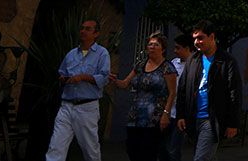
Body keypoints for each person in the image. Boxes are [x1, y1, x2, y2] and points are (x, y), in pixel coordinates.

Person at [175, 21, 242, 161]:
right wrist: (181, 114)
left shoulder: (226, 61)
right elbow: (182, 89)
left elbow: (234, 93)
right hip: (193, 118)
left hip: (212, 119)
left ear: (212, 37)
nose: (196, 42)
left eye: (200, 38)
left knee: (200, 158)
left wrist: (233, 123)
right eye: (194, 38)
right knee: (207, 156)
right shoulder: (193, 60)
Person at [45, 20, 111, 161]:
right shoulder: (71, 54)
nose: (83, 31)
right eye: (82, 28)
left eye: (88, 29)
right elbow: (61, 72)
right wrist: (63, 78)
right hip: (66, 105)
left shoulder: (102, 53)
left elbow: (104, 78)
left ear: (96, 34)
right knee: (56, 146)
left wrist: (83, 77)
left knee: (90, 149)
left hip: (86, 107)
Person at [110, 32, 177, 161]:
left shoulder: (167, 68)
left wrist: (166, 113)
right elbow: (125, 83)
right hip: (135, 116)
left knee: (148, 152)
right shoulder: (140, 65)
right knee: (131, 149)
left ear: (162, 49)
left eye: (156, 45)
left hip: (154, 117)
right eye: (150, 44)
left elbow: (172, 92)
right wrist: (114, 80)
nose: (151, 47)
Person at [161, 33, 194, 161]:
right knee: (163, 147)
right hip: (169, 110)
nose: (175, 51)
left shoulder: (196, 66)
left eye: (178, 48)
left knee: (173, 148)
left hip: (181, 113)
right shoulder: (174, 63)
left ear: (187, 48)